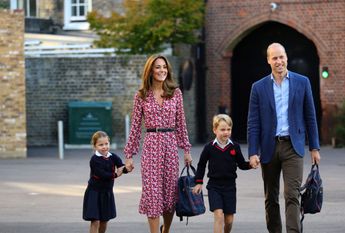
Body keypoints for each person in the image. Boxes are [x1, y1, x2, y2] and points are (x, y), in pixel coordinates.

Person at [247, 43, 321, 233]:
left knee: (292, 195)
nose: (279, 61)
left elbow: (310, 116)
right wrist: (253, 152)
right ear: (268, 61)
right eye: (274, 58)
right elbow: (253, 123)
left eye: (281, 57)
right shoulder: (258, 87)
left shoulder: (302, 82)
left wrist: (314, 147)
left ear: (286, 57)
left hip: (293, 146)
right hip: (268, 147)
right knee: (271, 197)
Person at [124, 54, 192, 233]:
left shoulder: (175, 93)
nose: (162, 70)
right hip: (151, 146)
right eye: (158, 67)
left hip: (170, 146)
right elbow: (136, 127)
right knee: (153, 195)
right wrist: (129, 155)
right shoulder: (141, 96)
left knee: (170, 196)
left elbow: (181, 123)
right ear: (150, 71)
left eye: (164, 67)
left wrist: (186, 150)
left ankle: (166, 230)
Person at [193, 114, 251, 233]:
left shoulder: (235, 147)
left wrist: (251, 164)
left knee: (229, 220)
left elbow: (241, 164)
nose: (226, 132)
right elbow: (201, 165)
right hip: (214, 186)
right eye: (222, 129)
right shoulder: (209, 147)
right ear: (215, 130)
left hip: (230, 187)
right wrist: (199, 182)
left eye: (228, 129)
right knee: (218, 215)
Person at [83, 131, 128, 233]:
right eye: (101, 145)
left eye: (106, 144)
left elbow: (121, 166)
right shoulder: (94, 160)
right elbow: (102, 175)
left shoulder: (113, 156)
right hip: (94, 193)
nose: (104, 147)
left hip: (107, 193)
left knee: (104, 221)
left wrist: (127, 168)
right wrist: (116, 174)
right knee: (95, 221)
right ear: (95, 146)